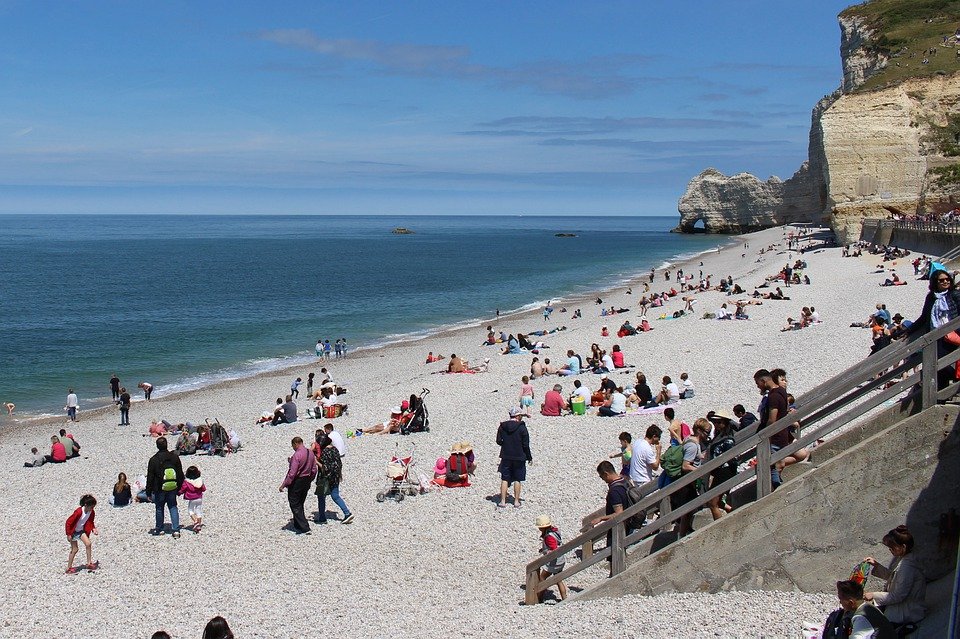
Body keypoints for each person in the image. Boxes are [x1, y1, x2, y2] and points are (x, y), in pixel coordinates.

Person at [864, 525, 927, 629]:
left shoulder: (907, 567)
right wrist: (876, 565)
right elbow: (894, 577)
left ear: (903, 547)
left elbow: (898, 596)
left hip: (907, 612)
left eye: (892, 548)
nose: (890, 550)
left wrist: (873, 595)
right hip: (902, 607)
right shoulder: (904, 559)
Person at [906, 268, 960, 389]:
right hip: (936, 335)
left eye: (947, 279)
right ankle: (941, 394)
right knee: (938, 365)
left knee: (941, 364)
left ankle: (947, 388)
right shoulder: (931, 297)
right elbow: (924, 317)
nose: (945, 282)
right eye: (941, 280)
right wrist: (908, 331)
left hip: (953, 335)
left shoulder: (955, 294)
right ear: (935, 282)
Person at [673, 419, 709, 538]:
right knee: (687, 512)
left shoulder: (689, 440)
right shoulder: (692, 445)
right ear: (699, 430)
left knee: (688, 511)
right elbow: (685, 465)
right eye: (706, 432)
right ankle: (682, 535)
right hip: (688, 483)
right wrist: (701, 471)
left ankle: (683, 533)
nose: (708, 435)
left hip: (689, 483)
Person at [824, 580, 896, 639]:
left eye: (841, 599)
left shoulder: (861, 618)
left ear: (851, 602)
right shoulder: (869, 607)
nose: (840, 602)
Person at [754, 369, 788, 489]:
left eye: (758, 384)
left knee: (772, 466)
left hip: (775, 436)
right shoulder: (782, 391)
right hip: (783, 433)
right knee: (778, 463)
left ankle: (775, 489)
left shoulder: (773, 396)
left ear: (763, 381)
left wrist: (764, 434)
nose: (758, 387)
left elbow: (772, 419)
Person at [146, 436, 184, 538]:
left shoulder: (153, 460)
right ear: (167, 445)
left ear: (157, 446)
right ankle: (175, 530)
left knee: (159, 508)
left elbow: (150, 477)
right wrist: (180, 487)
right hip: (172, 486)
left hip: (159, 488)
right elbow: (180, 474)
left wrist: (148, 492)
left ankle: (160, 529)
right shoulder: (174, 457)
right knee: (173, 506)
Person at [496, 407, 532, 508]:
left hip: (506, 455)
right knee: (517, 479)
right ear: (518, 416)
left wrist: (506, 444)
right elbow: (526, 445)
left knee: (504, 478)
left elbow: (498, 441)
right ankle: (516, 501)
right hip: (519, 456)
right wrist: (529, 457)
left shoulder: (502, 426)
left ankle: (502, 501)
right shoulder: (522, 427)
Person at [279, 436, 316, 534]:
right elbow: (314, 469)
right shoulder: (310, 452)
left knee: (294, 503)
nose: (293, 448)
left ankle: (305, 527)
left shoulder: (297, 455)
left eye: (293, 446)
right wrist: (310, 480)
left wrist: (284, 485)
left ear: (295, 444)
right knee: (300, 502)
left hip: (298, 481)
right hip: (307, 479)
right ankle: (297, 523)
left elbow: (292, 473)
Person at [314, 434, 353, 524]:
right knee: (335, 495)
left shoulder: (324, 452)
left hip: (325, 478)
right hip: (336, 476)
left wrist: (316, 462)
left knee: (321, 496)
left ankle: (322, 518)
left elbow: (325, 468)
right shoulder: (335, 449)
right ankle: (347, 513)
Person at [590, 461, 630, 549]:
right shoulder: (625, 480)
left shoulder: (614, 491)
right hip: (630, 523)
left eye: (601, 477)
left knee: (613, 553)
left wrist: (600, 518)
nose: (603, 480)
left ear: (606, 474)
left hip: (619, 529)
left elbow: (619, 513)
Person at [705, 410, 737, 520]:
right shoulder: (719, 436)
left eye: (719, 422)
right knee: (716, 501)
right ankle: (734, 515)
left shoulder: (728, 439)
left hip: (725, 471)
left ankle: (720, 525)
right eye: (715, 422)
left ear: (724, 423)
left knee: (712, 502)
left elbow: (732, 457)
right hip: (719, 472)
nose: (716, 424)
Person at [535, 514, 568, 602]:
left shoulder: (549, 536)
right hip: (561, 560)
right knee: (558, 579)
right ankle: (564, 598)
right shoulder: (555, 531)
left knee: (542, 578)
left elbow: (554, 549)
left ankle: (539, 598)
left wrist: (546, 552)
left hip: (554, 561)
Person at [65, 494, 99, 574]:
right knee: (75, 549)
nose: (92, 509)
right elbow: (68, 522)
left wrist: (93, 528)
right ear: (86, 505)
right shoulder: (78, 512)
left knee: (88, 544)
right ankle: (68, 568)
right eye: (91, 507)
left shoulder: (91, 512)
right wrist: (68, 534)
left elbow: (91, 521)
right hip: (73, 532)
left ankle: (89, 563)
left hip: (80, 531)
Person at [179, 465, 206, 532]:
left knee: (190, 510)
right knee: (198, 510)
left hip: (192, 498)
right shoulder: (200, 480)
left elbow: (183, 489)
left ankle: (196, 521)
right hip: (199, 498)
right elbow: (204, 489)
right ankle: (199, 525)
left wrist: (178, 493)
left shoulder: (187, 481)